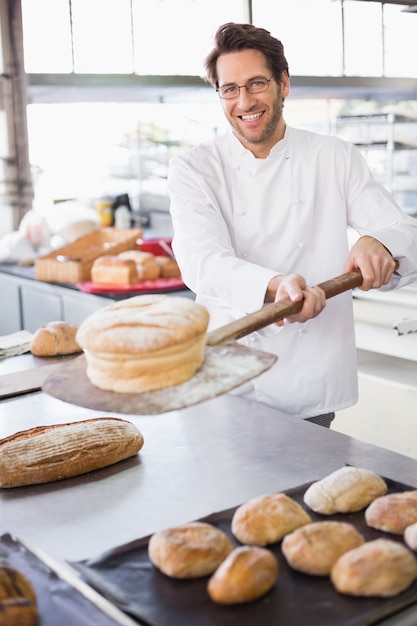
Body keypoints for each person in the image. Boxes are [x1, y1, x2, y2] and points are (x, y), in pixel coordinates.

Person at [167, 22, 417, 427]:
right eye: (229, 89)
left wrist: (381, 242)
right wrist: (274, 285)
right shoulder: (195, 168)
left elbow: (405, 230)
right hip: (227, 382)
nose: (244, 101)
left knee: (313, 491)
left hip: (309, 383)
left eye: (256, 83)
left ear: (283, 83)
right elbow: (202, 261)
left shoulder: (333, 157)